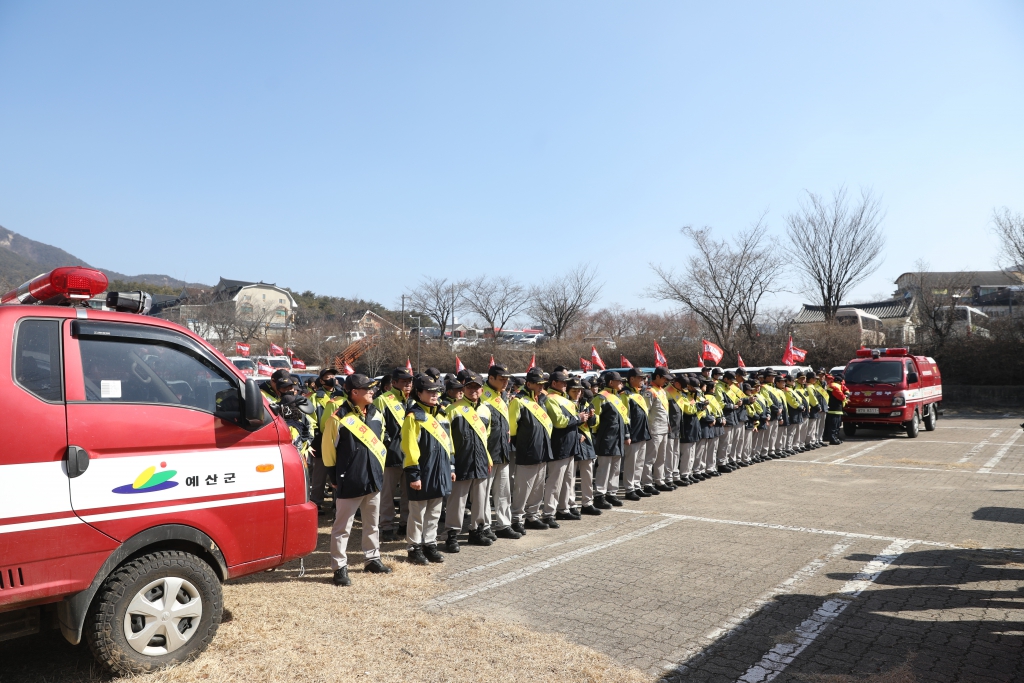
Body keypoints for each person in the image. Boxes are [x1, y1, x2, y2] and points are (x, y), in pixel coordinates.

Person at [320, 374, 392, 586]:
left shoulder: (377, 414)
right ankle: (339, 567)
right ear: (354, 392)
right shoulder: (338, 417)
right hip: (349, 479)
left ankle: (372, 558)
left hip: (373, 477)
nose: (372, 392)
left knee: (372, 523)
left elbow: (381, 441)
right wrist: (333, 477)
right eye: (367, 389)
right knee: (342, 527)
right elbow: (328, 450)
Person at [402, 374, 455, 566]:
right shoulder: (413, 416)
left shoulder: (442, 413)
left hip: (441, 469)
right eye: (429, 391)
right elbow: (409, 448)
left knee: (434, 512)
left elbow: (449, 443)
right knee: (417, 513)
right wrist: (414, 474)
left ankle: (430, 544)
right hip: (422, 471)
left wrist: (451, 465)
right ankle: (414, 547)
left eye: (437, 391)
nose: (434, 394)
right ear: (419, 393)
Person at [443, 371, 494, 552]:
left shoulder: (486, 410)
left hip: (480, 460)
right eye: (470, 387)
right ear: (463, 388)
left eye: (477, 387)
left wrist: (487, 457)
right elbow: (446, 438)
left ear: (482, 389)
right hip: (461, 460)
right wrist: (451, 462)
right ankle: (452, 534)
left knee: (481, 499)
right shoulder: (452, 409)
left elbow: (486, 436)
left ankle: (476, 531)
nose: (473, 390)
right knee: (457, 500)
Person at [510, 367, 554, 533]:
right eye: (538, 384)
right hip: (527, 450)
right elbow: (512, 429)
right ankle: (517, 519)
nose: (541, 386)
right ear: (529, 384)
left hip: (542, 450)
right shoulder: (518, 401)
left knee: (538, 487)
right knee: (523, 488)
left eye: (543, 383)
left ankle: (532, 516)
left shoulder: (540, 401)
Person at [544, 369, 590, 525]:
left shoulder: (564, 399)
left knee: (568, 480)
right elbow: (558, 421)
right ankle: (549, 513)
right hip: (559, 444)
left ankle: (563, 509)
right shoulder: (550, 399)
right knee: (555, 481)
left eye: (566, 382)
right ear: (554, 383)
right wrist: (579, 417)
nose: (565, 385)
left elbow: (570, 422)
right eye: (563, 382)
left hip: (570, 443)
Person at [375, 367, 414, 542]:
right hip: (391, 455)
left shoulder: (412, 401)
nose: (407, 385)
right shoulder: (383, 400)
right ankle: (387, 526)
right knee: (387, 494)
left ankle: (404, 523)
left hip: (410, 455)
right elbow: (377, 427)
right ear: (395, 382)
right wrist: (389, 444)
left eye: (409, 381)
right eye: (404, 381)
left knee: (408, 493)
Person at [481, 364, 520, 539]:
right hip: (488, 452)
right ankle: (484, 526)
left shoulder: (503, 395)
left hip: (503, 450)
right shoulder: (482, 394)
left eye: (506, 379)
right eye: (501, 379)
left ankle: (504, 524)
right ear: (491, 379)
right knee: (484, 492)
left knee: (503, 491)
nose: (505, 382)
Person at [560, 377, 601, 516]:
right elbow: (566, 424)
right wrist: (577, 435)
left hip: (587, 443)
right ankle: (571, 504)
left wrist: (592, 417)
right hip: (574, 441)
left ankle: (587, 503)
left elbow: (594, 424)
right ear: (568, 391)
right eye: (574, 390)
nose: (577, 393)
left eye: (579, 390)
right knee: (570, 477)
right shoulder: (566, 404)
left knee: (588, 475)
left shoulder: (586, 403)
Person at [591, 371, 629, 509]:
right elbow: (594, 421)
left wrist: (626, 435)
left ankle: (611, 493)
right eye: (619, 381)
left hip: (617, 437)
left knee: (615, 468)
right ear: (611, 382)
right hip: (606, 437)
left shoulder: (617, 397)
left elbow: (624, 418)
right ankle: (599, 495)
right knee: (604, 468)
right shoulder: (600, 398)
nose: (621, 384)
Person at [621, 368, 652, 500]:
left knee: (639, 462)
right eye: (640, 378)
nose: (642, 380)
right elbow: (624, 416)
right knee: (631, 463)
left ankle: (637, 485)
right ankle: (629, 489)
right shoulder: (625, 394)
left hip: (642, 432)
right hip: (633, 433)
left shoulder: (640, 393)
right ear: (631, 379)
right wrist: (627, 434)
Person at [646, 367, 675, 492]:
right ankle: (647, 483)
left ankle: (659, 480)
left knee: (661, 457)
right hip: (654, 429)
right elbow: (646, 411)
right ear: (657, 377)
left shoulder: (662, 390)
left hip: (663, 428)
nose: (666, 381)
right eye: (664, 378)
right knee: (650, 458)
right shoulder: (649, 391)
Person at [824, 373, 848, 445]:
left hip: (835, 409)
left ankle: (835, 438)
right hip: (834, 409)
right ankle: (833, 439)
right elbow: (841, 397)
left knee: (835, 425)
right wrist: (846, 397)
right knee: (833, 426)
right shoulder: (835, 386)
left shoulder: (832, 385)